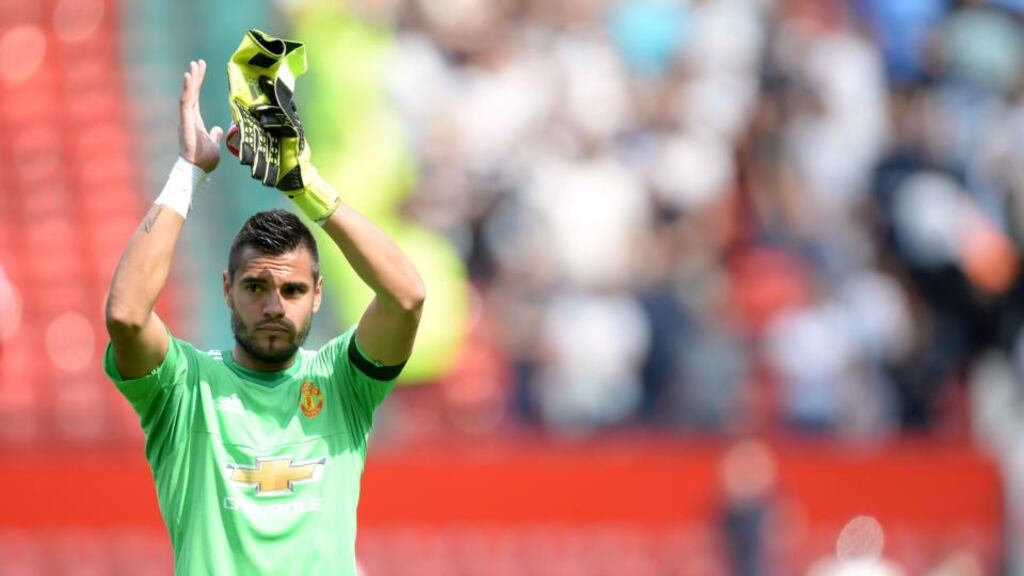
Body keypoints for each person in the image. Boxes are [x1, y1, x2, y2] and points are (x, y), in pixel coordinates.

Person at [103, 58, 425, 575]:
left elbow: (406, 297)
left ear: (317, 296)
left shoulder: (342, 383)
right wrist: (188, 172)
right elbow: (126, 315)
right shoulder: (185, 389)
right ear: (227, 290)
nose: (274, 306)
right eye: (256, 287)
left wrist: (303, 183)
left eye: (293, 290)